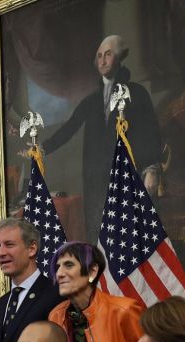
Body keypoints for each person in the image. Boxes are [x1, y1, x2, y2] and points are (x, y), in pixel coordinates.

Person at [42, 34, 161, 241]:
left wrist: (151, 169)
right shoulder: (91, 101)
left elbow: (151, 133)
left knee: (132, 238)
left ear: (120, 57)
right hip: (97, 181)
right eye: (99, 56)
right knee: (100, 237)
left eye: (108, 54)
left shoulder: (137, 93)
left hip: (128, 177)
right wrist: (41, 148)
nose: (103, 61)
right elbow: (69, 128)